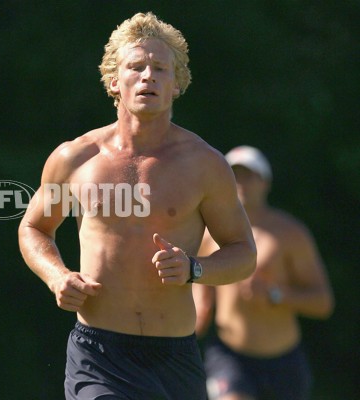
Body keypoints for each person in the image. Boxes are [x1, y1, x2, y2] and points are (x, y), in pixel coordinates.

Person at [18, 12, 256, 399]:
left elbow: (243, 253)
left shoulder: (205, 165)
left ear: (177, 84)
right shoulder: (75, 158)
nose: (148, 76)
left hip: (174, 358)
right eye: (136, 67)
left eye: (160, 68)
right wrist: (56, 276)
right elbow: (34, 227)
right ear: (114, 81)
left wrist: (194, 268)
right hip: (98, 355)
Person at [193, 145, 335, 400]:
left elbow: (323, 303)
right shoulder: (207, 234)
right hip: (229, 356)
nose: (241, 183)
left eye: (249, 175)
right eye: (235, 175)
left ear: (266, 182)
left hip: (282, 360)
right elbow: (200, 298)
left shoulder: (290, 234)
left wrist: (276, 295)